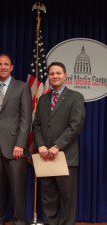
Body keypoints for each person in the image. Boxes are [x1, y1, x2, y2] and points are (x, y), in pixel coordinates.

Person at [32, 62, 85, 225]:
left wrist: (57, 146)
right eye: (52, 74)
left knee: (66, 198)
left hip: (65, 156)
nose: (55, 76)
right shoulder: (43, 98)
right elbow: (37, 125)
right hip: (45, 155)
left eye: (58, 73)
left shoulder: (76, 97)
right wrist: (40, 145)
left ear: (65, 76)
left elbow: (75, 125)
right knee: (48, 197)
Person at [0, 53, 32, 225]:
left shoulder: (22, 87)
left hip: (15, 146)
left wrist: (21, 144)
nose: (3, 67)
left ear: (12, 67)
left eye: (6, 64)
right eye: (0, 64)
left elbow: (26, 118)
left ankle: (19, 221)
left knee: (17, 188)